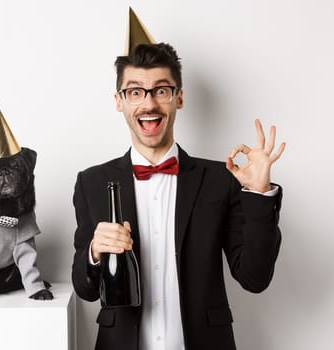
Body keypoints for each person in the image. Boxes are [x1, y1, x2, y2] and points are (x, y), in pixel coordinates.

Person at [70, 10, 286, 350]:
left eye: (161, 90)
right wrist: (94, 251)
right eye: (135, 92)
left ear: (179, 97)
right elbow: (84, 289)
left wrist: (258, 192)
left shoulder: (220, 179)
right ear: (119, 102)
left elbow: (255, 278)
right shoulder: (92, 182)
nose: (149, 103)